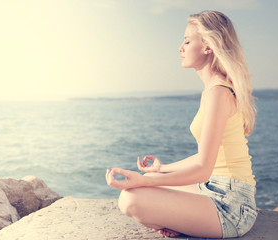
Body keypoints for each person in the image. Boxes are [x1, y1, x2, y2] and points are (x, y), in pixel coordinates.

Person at [105, 10, 257, 238]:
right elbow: (209, 158)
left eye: (187, 41)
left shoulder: (219, 93)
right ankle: (183, 219)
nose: (180, 47)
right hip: (214, 187)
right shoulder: (213, 89)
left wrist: (144, 182)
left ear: (208, 46)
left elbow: (204, 168)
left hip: (232, 205)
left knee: (131, 198)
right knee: (148, 180)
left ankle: (185, 221)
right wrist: (162, 168)